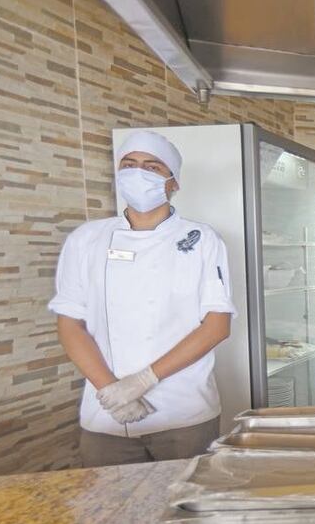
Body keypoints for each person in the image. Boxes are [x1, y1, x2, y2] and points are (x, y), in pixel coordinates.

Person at [49, 130, 235, 466]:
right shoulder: (86, 239)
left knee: (184, 507)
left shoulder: (201, 239)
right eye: (129, 164)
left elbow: (217, 326)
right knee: (107, 511)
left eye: (152, 167)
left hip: (183, 410)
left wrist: (142, 381)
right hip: (106, 414)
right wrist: (112, 390)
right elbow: (69, 324)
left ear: (173, 182)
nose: (138, 173)